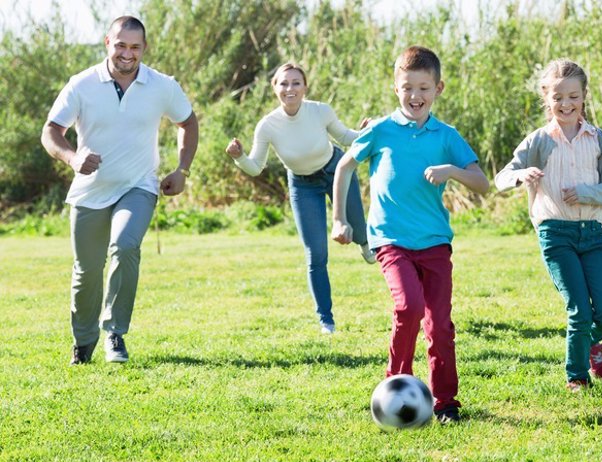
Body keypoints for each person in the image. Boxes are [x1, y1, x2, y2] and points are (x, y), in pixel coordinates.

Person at [331, 46, 490, 424]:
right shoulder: (380, 131)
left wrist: (451, 170)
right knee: (409, 307)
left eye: (423, 87)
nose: (415, 96)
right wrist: (339, 219)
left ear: (439, 89)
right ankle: (394, 386)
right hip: (391, 240)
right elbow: (343, 168)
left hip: (435, 242)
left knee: (440, 324)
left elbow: (482, 183)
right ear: (395, 88)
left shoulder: (446, 136)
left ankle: (446, 403)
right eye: (407, 88)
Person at [41, 16, 198, 365]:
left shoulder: (161, 85)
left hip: (138, 186)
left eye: (135, 47)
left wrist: (181, 169)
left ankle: (115, 333)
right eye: (121, 45)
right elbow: (51, 132)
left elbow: (187, 121)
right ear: (107, 43)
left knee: (125, 246)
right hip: (90, 190)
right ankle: (83, 343)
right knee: (87, 270)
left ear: (144, 48)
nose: (128, 53)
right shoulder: (81, 85)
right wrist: (72, 157)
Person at [494, 58, 602, 392]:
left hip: (593, 233)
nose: (566, 104)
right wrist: (520, 175)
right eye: (558, 97)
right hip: (555, 234)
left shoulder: (597, 139)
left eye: (573, 96)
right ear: (547, 98)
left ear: (584, 96)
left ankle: (588, 345)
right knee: (579, 310)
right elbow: (500, 178)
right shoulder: (538, 141)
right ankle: (577, 377)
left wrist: (587, 193)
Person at [225, 63, 374, 335]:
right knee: (315, 253)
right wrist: (239, 158)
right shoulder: (267, 126)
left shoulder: (320, 111)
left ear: (305, 87)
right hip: (302, 185)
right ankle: (326, 321)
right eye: (283, 83)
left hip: (335, 170)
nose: (289, 88)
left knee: (359, 228)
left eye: (296, 83)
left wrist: (365, 132)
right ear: (275, 89)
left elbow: (343, 136)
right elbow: (255, 166)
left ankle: (365, 243)